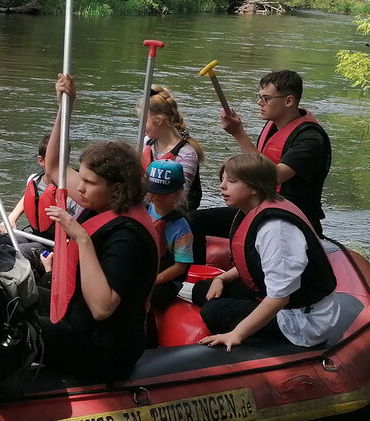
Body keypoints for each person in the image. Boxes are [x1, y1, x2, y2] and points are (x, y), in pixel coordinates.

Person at [39, 74, 162, 383]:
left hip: (105, 348)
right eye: (82, 177)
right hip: (76, 320)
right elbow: (53, 166)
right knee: (11, 298)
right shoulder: (101, 201)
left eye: (90, 183)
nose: (80, 188)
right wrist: (64, 108)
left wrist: (79, 237)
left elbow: (103, 307)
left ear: (117, 188)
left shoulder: (128, 236)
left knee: (11, 323)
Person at [193, 153, 339, 350]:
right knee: (202, 290)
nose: (222, 186)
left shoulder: (276, 230)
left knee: (212, 311)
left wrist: (237, 334)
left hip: (302, 320)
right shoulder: (257, 210)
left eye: (232, 181)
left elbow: (280, 298)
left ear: (255, 187)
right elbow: (255, 263)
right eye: (223, 179)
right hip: (282, 297)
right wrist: (221, 279)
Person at [191, 68, 331, 261]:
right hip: (264, 208)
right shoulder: (273, 126)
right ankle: (192, 273)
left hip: (291, 219)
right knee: (193, 220)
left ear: (288, 101)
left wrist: (238, 133)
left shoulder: (310, 140)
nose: (259, 103)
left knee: (198, 221)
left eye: (266, 98)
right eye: (259, 97)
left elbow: (272, 175)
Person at [142, 85, 205, 210]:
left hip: (173, 214)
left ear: (158, 120)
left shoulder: (186, 154)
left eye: (144, 120)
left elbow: (178, 199)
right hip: (147, 207)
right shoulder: (147, 142)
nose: (141, 126)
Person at [145, 159, 193, 307]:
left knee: (155, 295)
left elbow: (180, 267)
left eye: (163, 193)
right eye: (153, 191)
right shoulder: (143, 209)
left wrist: (152, 281)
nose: (156, 197)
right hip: (143, 267)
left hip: (165, 279)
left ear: (178, 193)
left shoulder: (182, 229)